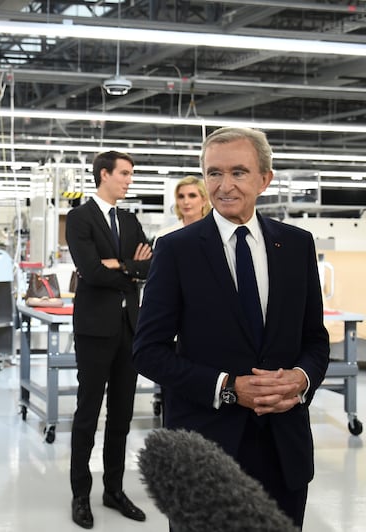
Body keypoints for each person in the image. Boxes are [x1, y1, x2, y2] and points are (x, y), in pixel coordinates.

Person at [133, 127, 329, 529]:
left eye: (239, 172)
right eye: (214, 173)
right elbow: (148, 351)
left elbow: (314, 339)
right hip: (205, 447)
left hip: (283, 445)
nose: (224, 186)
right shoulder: (177, 250)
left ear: (265, 179)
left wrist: (301, 378)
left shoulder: (296, 245)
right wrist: (227, 386)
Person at [65, 150, 152, 529]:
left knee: (122, 414)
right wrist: (127, 270)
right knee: (87, 414)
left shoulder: (131, 220)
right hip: (94, 330)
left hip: (129, 328)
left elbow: (152, 264)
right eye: (125, 174)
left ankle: (113, 489)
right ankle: (80, 493)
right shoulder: (79, 218)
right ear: (104, 174)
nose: (129, 181)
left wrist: (122, 266)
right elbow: (89, 271)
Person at [152, 175, 211, 244]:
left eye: (192, 196)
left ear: (204, 200)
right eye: (181, 196)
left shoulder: (217, 234)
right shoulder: (164, 236)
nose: (186, 202)